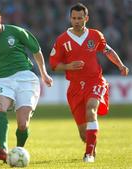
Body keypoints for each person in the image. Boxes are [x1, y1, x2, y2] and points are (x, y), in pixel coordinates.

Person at [49, 3, 129, 163]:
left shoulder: (95, 35)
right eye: (74, 18)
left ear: (86, 18)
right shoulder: (62, 40)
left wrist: (120, 64)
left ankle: (88, 155)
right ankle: (92, 146)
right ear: (70, 19)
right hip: (75, 88)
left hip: (95, 81)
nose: (77, 21)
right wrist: (68, 66)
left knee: (91, 109)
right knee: (82, 134)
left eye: (80, 18)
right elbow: (53, 65)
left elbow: (108, 50)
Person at [0, 4, 53, 162]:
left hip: (25, 78)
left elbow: (36, 50)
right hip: (2, 80)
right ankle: (3, 149)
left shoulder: (16, 31)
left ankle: (18, 151)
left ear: (0, 19)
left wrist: (44, 74)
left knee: (22, 124)